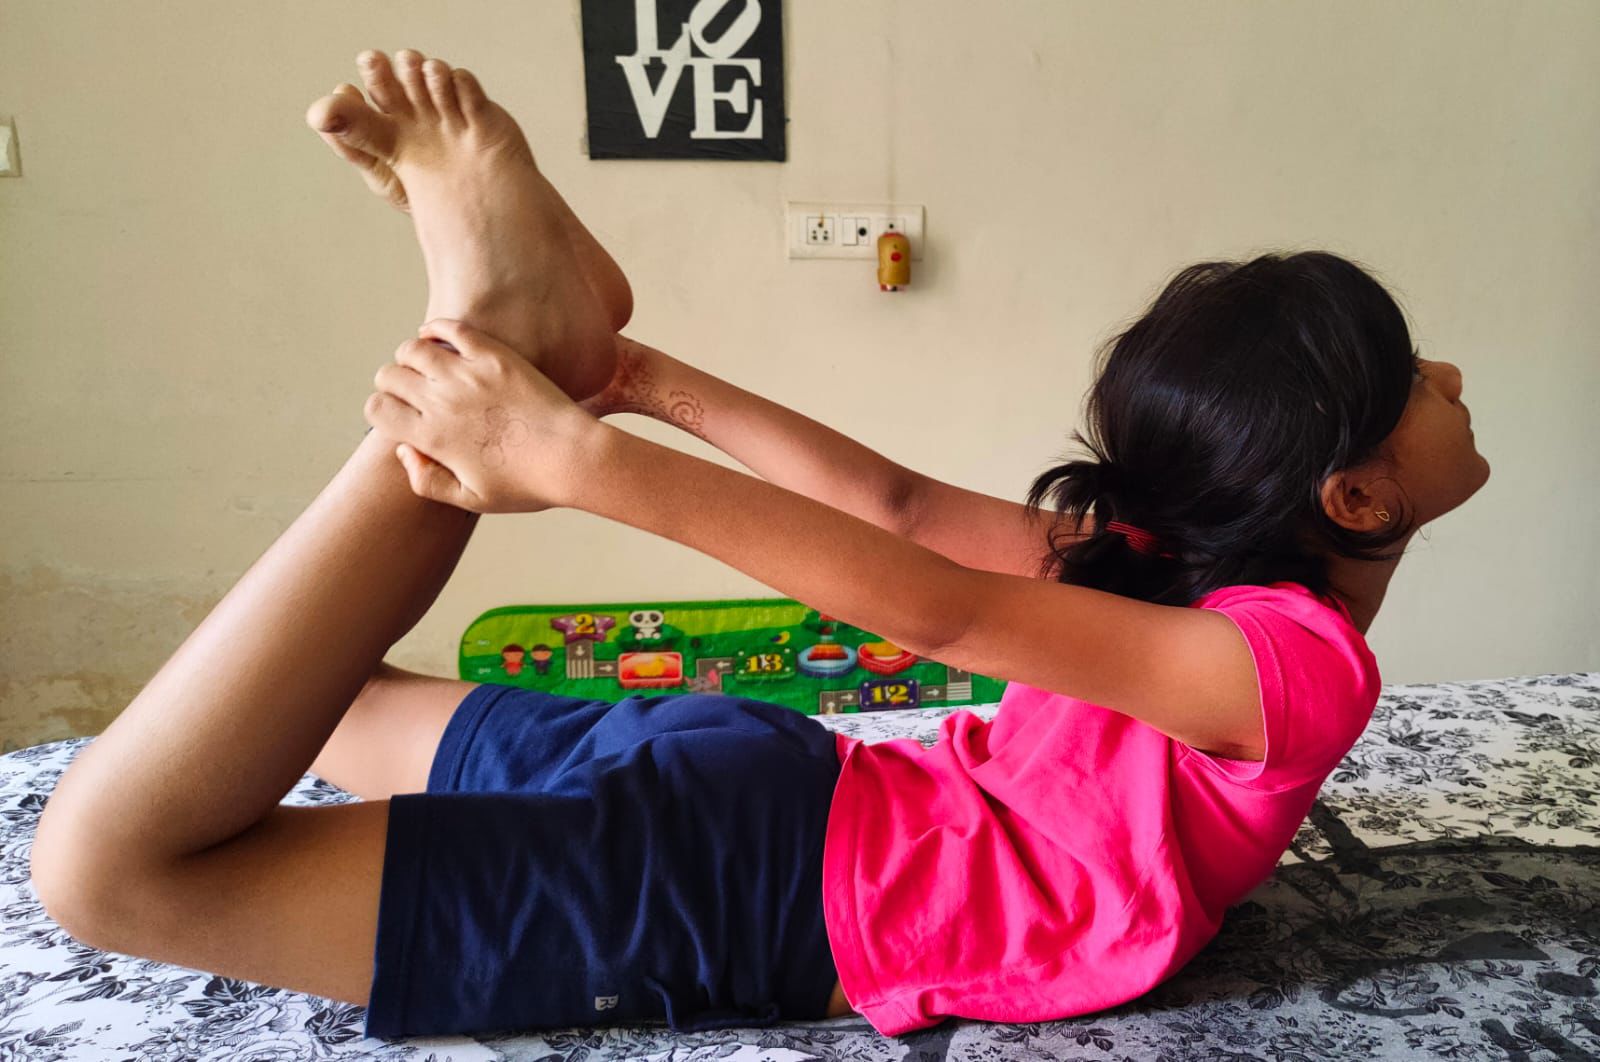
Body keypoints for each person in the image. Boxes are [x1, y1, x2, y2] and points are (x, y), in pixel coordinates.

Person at [28, 48, 1489, 1043]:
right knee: (118, 869)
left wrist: (602, 422)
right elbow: (919, 562)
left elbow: (922, 555)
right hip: (768, 880)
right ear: (1353, 497)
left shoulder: (1203, 603)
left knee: (308, 710)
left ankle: (503, 323)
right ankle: (502, 328)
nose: (1453, 379)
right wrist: (613, 408)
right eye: (1419, 378)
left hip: (765, 796)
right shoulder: (1254, 633)